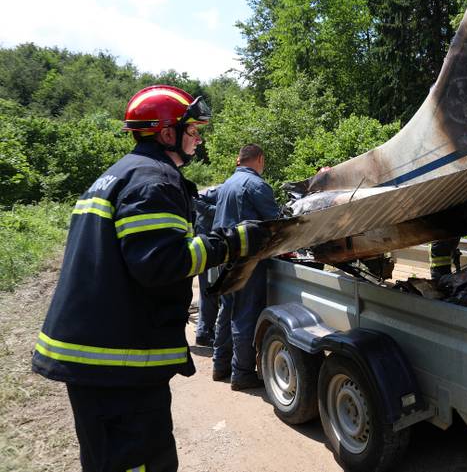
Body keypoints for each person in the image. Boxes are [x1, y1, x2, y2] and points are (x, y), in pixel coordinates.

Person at [31, 85, 269, 472]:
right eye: (192, 131)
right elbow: (161, 263)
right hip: (117, 364)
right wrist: (233, 242)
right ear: (167, 133)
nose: (198, 139)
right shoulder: (154, 180)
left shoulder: (117, 175)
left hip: (98, 355)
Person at [211, 144, 280, 390]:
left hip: (224, 254)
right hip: (247, 257)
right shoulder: (257, 185)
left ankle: (220, 366)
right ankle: (241, 373)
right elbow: (276, 223)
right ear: (259, 159)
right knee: (245, 313)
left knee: (226, 310)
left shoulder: (227, 184)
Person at [194, 185, 220, 347]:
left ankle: (206, 330)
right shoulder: (221, 190)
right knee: (208, 289)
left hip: (213, 242)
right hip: (206, 242)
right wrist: (217, 211)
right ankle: (203, 333)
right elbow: (195, 199)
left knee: (210, 290)